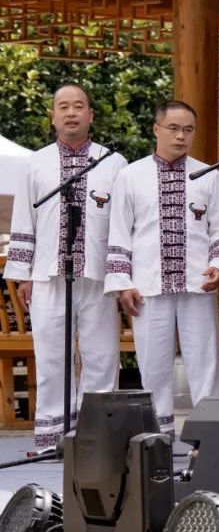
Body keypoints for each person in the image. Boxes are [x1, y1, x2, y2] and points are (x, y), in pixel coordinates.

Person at [4, 84, 127, 452]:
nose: (71, 112)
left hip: (99, 276)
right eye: (63, 106)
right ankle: (52, 439)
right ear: (53, 116)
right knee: (51, 356)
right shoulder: (35, 163)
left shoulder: (113, 162)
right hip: (46, 276)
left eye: (78, 106)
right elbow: (24, 219)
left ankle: (98, 439)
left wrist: (121, 275)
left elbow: (123, 223)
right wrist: (23, 275)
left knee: (102, 356)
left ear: (91, 115)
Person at [105, 100, 219, 438]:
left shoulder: (208, 175)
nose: (181, 136)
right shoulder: (130, 176)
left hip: (198, 284)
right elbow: (119, 233)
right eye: (173, 128)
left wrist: (218, 266)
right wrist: (122, 282)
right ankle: (157, 440)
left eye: (188, 130)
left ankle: (209, 439)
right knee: (153, 366)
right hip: (147, 285)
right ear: (156, 129)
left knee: (205, 363)